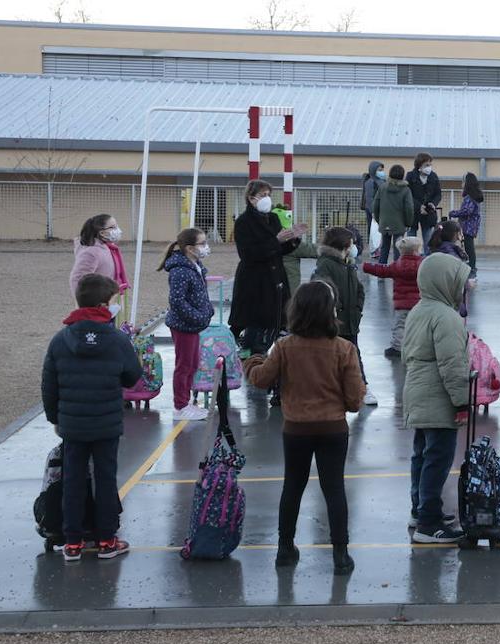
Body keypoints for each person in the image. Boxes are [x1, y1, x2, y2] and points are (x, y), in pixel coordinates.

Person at [244, 281, 364, 575]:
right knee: (334, 489)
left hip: (296, 428)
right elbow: (355, 400)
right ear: (330, 311)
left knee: (293, 487)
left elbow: (260, 380)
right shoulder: (344, 348)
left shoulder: (285, 347)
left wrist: (252, 361)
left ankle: (285, 549)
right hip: (333, 427)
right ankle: (341, 554)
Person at [42, 273, 142, 563]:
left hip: (72, 424)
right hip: (106, 421)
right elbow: (132, 377)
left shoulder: (61, 339)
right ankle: (107, 539)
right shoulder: (117, 339)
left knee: (72, 479)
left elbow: (49, 384)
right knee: (106, 479)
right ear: (103, 303)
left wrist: (55, 417)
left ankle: (72, 542)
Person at [401, 253, 472, 544]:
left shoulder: (419, 310)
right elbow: (453, 364)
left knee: (422, 455)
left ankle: (420, 509)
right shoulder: (447, 317)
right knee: (438, 458)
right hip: (438, 395)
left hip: (417, 391)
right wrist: (461, 401)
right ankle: (429, 523)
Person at [230, 181, 304, 352]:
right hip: (254, 281)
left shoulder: (273, 218)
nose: (267, 199)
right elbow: (248, 254)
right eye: (263, 195)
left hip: (275, 278)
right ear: (251, 198)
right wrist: (276, 241)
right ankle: (252, 359)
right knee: (255, 325)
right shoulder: (243, 222)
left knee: (274, 322)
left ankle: (261, 355)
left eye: (269, 195)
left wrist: (292, 239)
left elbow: (281, 250)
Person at [311, 227, 374, 407]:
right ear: (343, 245)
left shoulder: (348, 263)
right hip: (335, 322)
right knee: (332, 356)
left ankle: (362, 387)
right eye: (352, 242)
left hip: (351, 320)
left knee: (354, 355)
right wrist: (336, 312)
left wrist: (357, 308)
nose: (354, 246)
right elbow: (322, 290)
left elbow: (358, 289)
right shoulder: (325, 264)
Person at [160, 228, 215, 421]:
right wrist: (197, 317)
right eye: (202, 243)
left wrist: (207, 311)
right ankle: (180, 405)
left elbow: (200, 295)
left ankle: (186, 401)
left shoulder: (195, 265)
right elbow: (177, 301)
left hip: (193, 325)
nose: (206, 247)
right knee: (184, 365)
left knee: (192, 363)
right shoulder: (180, 271)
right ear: (190, 248)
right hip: (184, 326)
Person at [362, 236, 423, 358]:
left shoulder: (397, 266)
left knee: (399, 326)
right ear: (417, 250)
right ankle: (418, 347)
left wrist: (366, 266)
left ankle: (397, 348)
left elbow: (382, 271)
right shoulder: (423, 265)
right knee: (418, 326)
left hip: (401, 304)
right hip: (419, 304)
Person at [69, 214, 130, 307]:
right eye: (113, 227)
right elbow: (77, 279)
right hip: (96, 305)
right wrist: (81, 304)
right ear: (102, 232)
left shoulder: (107, 248)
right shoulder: (91, 252)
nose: (117, 230)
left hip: (108, 300)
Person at [372, 164, 416, 266]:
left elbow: (375, 205)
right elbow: (409, 208)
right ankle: (397, 270)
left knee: (384, 248)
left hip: (384, 222)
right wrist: (408, 223)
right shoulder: (405, 190)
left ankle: (381, 271)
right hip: (399, 224)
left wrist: (380, 220)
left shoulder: (382, 188)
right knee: (398, 248)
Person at [449, 172, 483, 277]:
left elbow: (467, 211)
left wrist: (453, 213)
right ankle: (471, 266)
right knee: (468, 247)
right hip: (470, 226)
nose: (461, 184)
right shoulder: (473, 197)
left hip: (468, 226)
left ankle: (472, 267)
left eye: (463, 182)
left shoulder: (469, 198)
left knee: (469, 247)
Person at [406, 153, 442, 252]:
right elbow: (408, 194)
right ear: (419, 166)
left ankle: (427, 259)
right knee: (411, 239)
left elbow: (438, 194)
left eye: (430, 164)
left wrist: (433, 204)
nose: (429, 167)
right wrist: (419, 206)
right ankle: (409, 258)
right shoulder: (410, 176)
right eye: (426, 165)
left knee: (428, 238)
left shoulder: (433, 176)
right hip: (413, 211)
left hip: (428, 212)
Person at [361, 161, 386, 247]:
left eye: (382, 170)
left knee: (379, 231)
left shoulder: (382, 181)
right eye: (379, 170)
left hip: (381, 209)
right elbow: (369, 198)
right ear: (373, 170)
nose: (382, 172)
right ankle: (374, 249)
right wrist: (373, 211)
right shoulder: (371, 182)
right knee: (374, 231)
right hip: (374, 211)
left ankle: (378, 247)